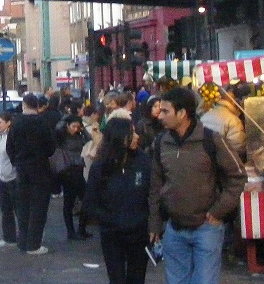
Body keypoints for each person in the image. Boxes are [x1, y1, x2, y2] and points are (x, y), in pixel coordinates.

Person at [148, 87, 246, 284]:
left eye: (165, 111)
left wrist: (219, 211)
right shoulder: (160, 143)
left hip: (207, 228)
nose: (160, 115)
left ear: (182, 113)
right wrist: (155, 224)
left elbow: (237, 175)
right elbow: (156, 187)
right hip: (174, 229)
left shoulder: (211, 139)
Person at [87, 117, 150, 284]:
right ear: (120, 137)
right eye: (132, 133)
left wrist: (148, 221)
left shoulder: (143, 161)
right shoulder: (101, 166)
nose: (137, 136)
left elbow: (153, 193)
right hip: (112, 233)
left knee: (137, 279)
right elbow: (91, 201)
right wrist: (109, 220)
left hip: (139, 231)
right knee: (117, 279)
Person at [6, 93, 56, 255]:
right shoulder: (43, 122)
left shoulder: (16, 123)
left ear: (24, 105)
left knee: (23, 206)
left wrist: (17, 161)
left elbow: (9, 147)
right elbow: (50, 148)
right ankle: (34, 244)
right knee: (39, 207)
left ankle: (23, 241)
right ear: (37, 106)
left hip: (22, 169)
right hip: (40, 169)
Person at [58, 115, 92, 241]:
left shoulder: (79, 135)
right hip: (67, 171)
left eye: (78, 126)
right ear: (67, 126)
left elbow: (88, 139)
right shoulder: (62, 137)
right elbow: (57, 130)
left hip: (78, 169)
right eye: (73, 126)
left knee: (86, 200)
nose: (76, 129)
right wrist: (65, 121)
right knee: (69, 201)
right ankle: (71, 231)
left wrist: (82, 129)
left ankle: (81, 229)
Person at [0, 111, 19, 247]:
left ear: (8, 123)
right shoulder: (1, 137)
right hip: (2, 177)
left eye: (0, 122)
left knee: (17, 209)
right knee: (5, 210)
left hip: (13, 177)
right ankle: (9, 237)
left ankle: (22, 235)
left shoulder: (12, 137)